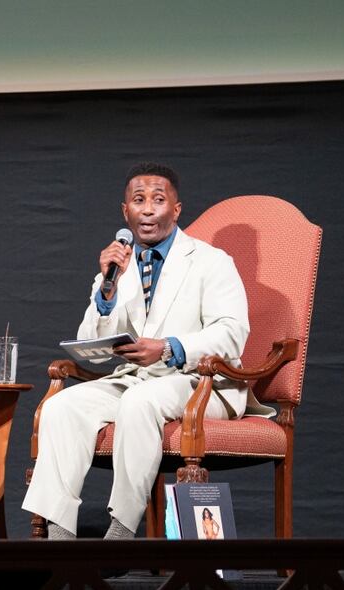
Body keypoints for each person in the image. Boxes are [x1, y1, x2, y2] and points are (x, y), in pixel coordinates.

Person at [23, 162, 263, 541]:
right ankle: (59, 534)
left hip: (201, 384)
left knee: (140, 402)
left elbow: (233, 333)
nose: (148, 209)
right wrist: (107, 297)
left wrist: (169, 348)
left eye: (158, 199)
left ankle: (120, 531)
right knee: (61, 407)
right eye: (138, 200)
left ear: (176, 209)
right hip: (134, 379)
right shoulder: (117, 268)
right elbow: (94, 351)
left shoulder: (211, 261)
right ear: (125, 212)